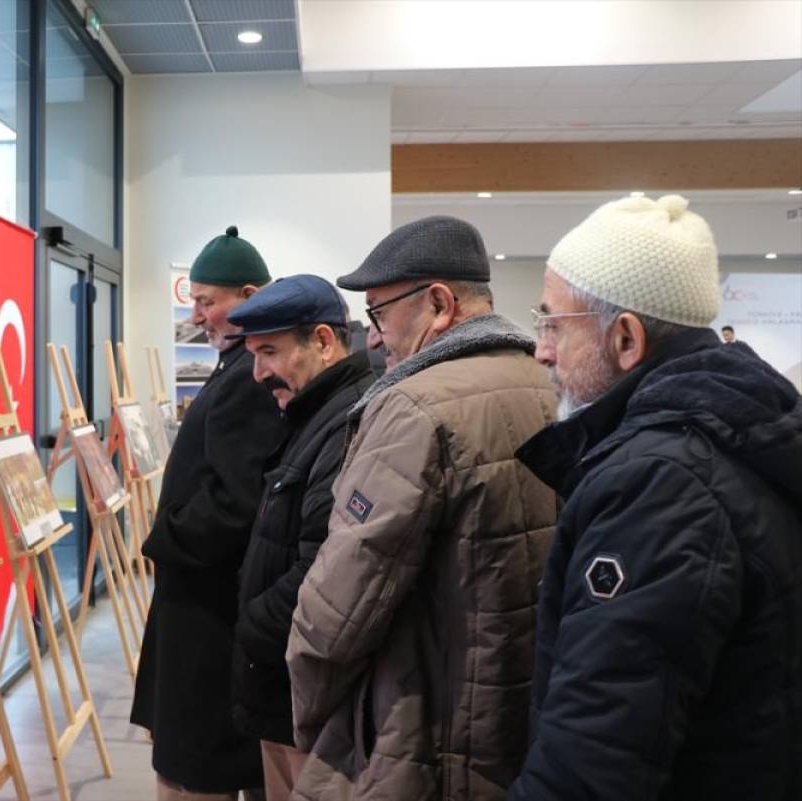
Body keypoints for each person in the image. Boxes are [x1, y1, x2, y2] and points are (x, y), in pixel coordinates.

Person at [508, 195, 802, 800]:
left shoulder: (660, 486)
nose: (541, 350)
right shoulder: (728, 436)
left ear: (626, 338)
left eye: (553, 324)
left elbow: (594, 757)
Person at [286, 216, 560, 801]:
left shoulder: (413, 407)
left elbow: (336, 614)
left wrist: (309, 718)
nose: (373, 337)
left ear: (438, 304)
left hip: (420, 734)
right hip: (523, 723)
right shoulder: (551, 387)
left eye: (379, 314)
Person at [132, 225, 288, 801]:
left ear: (249, 295)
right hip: (200, 599)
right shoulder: (239, 363)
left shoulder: (251, 375)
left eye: (206, 302)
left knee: (198, 764)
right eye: (194, 301)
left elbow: (236, 501)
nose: (197, 316)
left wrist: (163, 537)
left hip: (211, 605)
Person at [224, 275, 375, 801]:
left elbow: (325, 570)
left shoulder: (347, 421)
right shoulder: (312, 412)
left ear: (324, 341)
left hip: (303, 695)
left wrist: (252, 624)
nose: (258, 374)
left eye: (269, 352)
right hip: (282, 687)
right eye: (252, 355)